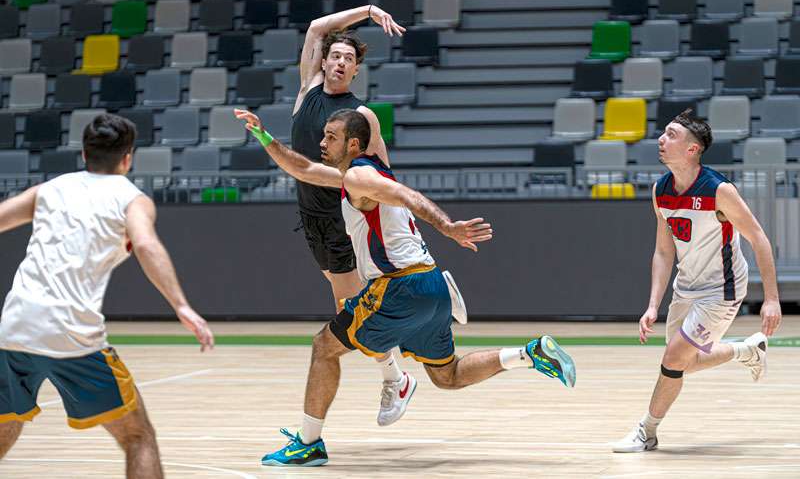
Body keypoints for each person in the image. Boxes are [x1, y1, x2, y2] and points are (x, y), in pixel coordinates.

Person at [234, 107, 577, 467]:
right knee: (448, 375)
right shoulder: (361, 171)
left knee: (324, 347)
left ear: (353, 144)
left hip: (398, 287)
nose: (322, 142)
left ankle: (308, 443)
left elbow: (406, 195)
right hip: (430, 283)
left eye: (330, 137)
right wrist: (262, 136)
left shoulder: (360, 178)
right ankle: (529, 354)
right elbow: (301, 168)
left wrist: (448, 227)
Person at [0, 114, 215, 478]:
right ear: (128, 157)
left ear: (84, 153)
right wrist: (181, 305)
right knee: (137, 435)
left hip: (14, 327)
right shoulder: (132, 199)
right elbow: (146, 244)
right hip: (72, 336)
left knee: (5, 427)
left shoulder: (50, 189)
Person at [612, 110, 782, 453]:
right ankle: (746, 350)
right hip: (686, 287)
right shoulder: (661, 190)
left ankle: (647, 431)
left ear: (692, 149)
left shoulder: (719, 190)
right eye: (663, 133)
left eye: (671, 134)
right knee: (683, 363)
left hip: (722, 290)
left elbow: (759, 238)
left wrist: (772, 298)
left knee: (673, 360)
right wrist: (651, 305)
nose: (661, 139)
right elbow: (663, 252)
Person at [286, 4, 419, 427]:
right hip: (311, 219)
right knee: (351, 309)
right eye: (336, 56)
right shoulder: (307, 89)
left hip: (344, 223)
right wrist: (367, 11)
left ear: (356, 70)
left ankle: (396, 378)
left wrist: (399, 215)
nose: (341, 62)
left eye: (349, 59)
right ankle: (396, 373)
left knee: (351, 315)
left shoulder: (362, 116)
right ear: (322, 62)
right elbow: (316, 25)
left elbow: (384, 171)